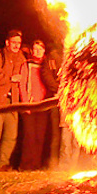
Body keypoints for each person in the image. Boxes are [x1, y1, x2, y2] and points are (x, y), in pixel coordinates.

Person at [0, 30, 26, 171]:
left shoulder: (22, 58)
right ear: (7, 42)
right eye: (14, 42)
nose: (16, 45)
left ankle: (2, 163)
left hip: (13, 102)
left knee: (11, 136)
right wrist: (10, 78)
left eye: (18, 43)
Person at [19, 40, 59, 170]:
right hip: (30, 104)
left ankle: (36, 164)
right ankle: (26, 165)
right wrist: (26, 102)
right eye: (35, 49)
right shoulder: (27, 64)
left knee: (39, 136)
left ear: (44, 51)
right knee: (29, 136)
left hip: (43, 105)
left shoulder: (48, 64)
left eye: (40, 49)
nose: (37, 52)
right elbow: (22, 84)